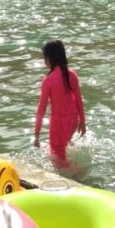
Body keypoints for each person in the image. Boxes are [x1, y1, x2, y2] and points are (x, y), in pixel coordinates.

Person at [34, 39, 86, 167]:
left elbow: (41, 108)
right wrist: (82, 122)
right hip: (73, 120)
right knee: (62, 145)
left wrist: (36, 135)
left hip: (58, 125)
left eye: (44, 58)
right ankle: (67, 149)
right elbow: (79, 100)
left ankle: (78, 175)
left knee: (58, 161)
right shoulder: (72, 74)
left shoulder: (48, 80)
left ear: (49, 59)